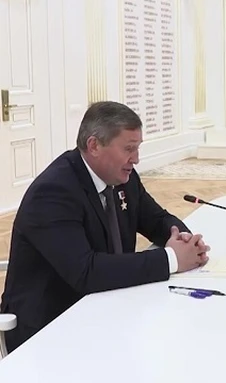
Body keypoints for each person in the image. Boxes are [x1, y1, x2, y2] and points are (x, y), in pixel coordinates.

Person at [0, 101, 211, 352]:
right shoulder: (53, 192)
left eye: (138, 148)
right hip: (49, 330)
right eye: (129, 149)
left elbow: (156, 220)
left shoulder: (123, 177)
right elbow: (86, 272)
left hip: (106, 309)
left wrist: (184, 240)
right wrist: (171, 259)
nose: (136, 159)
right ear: (94, 146)